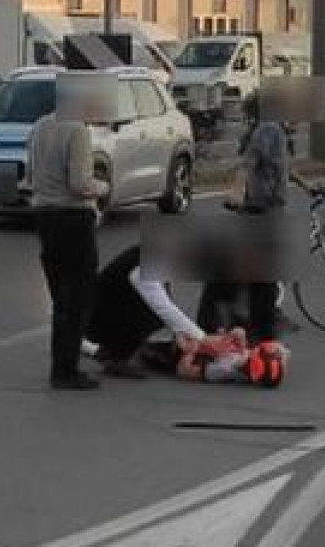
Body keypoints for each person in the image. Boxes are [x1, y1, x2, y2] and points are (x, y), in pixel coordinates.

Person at [86, 243, 283, 387]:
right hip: (97, 318)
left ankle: (117, 351)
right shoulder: (143, 265)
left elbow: (164, 301)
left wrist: (186, 334)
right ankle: (115, 355)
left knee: (158, 317)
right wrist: (202, 338)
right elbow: (160, 304)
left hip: (108, 311)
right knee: (153, 314)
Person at [28, 77, 106, 391]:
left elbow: (31, 171)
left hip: (45, 216)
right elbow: (80, 183)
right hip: (73, 217)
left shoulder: (40, 126)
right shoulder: (77, 130)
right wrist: (103, 187)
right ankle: (66, 369)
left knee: (59, 294)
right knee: (77, 298)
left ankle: (60, 363)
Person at [200, 93, 294, 340]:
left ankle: (236, 322)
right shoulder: (270, 129)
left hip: (264, 209)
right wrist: (238, 191)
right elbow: (250, 162)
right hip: (261, 210)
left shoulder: (275, 131)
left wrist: (309, 185)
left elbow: (280, 169)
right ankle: (258, 330)